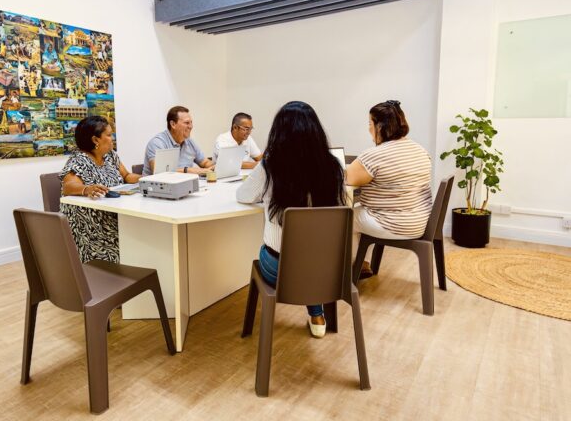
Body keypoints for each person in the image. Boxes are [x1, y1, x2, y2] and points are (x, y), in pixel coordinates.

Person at [236, 101, 346, 338]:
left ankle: (316, 314)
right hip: (328, 269)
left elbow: (243, 196)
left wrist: (266, 196)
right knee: (309, 261)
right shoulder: (334, 166)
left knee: (277, 254)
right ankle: (317, 314)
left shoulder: (271, 165)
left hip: (281, 269)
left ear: (280, 132)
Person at [345, 100, 432, 278]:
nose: (369, 129)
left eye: (370, 124)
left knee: (345, 217)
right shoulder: (419, 150)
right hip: (419, 222)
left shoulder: (375, 155)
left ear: (380, 127)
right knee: (361, 212)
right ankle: (362, 263)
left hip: (393, 224)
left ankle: (348, 269)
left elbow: (347, 178)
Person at [59, 116, 140, 263]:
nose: (112, 138)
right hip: (92, 228)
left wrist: (146, 179)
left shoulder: (110, 155)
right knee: (138, 245)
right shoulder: (78, 160)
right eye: (109, 135)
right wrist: (87, 189)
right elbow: (68, 186)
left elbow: (127, 175)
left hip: (114, 216)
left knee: (143, 236)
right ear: (96, 140)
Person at [142, 106, 214, 176]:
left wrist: (214, 166)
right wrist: (188, 170)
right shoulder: (157, 143)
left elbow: (204, 162)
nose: (191, 126)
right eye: (186, 123)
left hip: (183, 185)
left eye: (191, 122)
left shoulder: (189, 142)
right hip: (156, 187)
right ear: (173, 124)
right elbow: (160, 173)